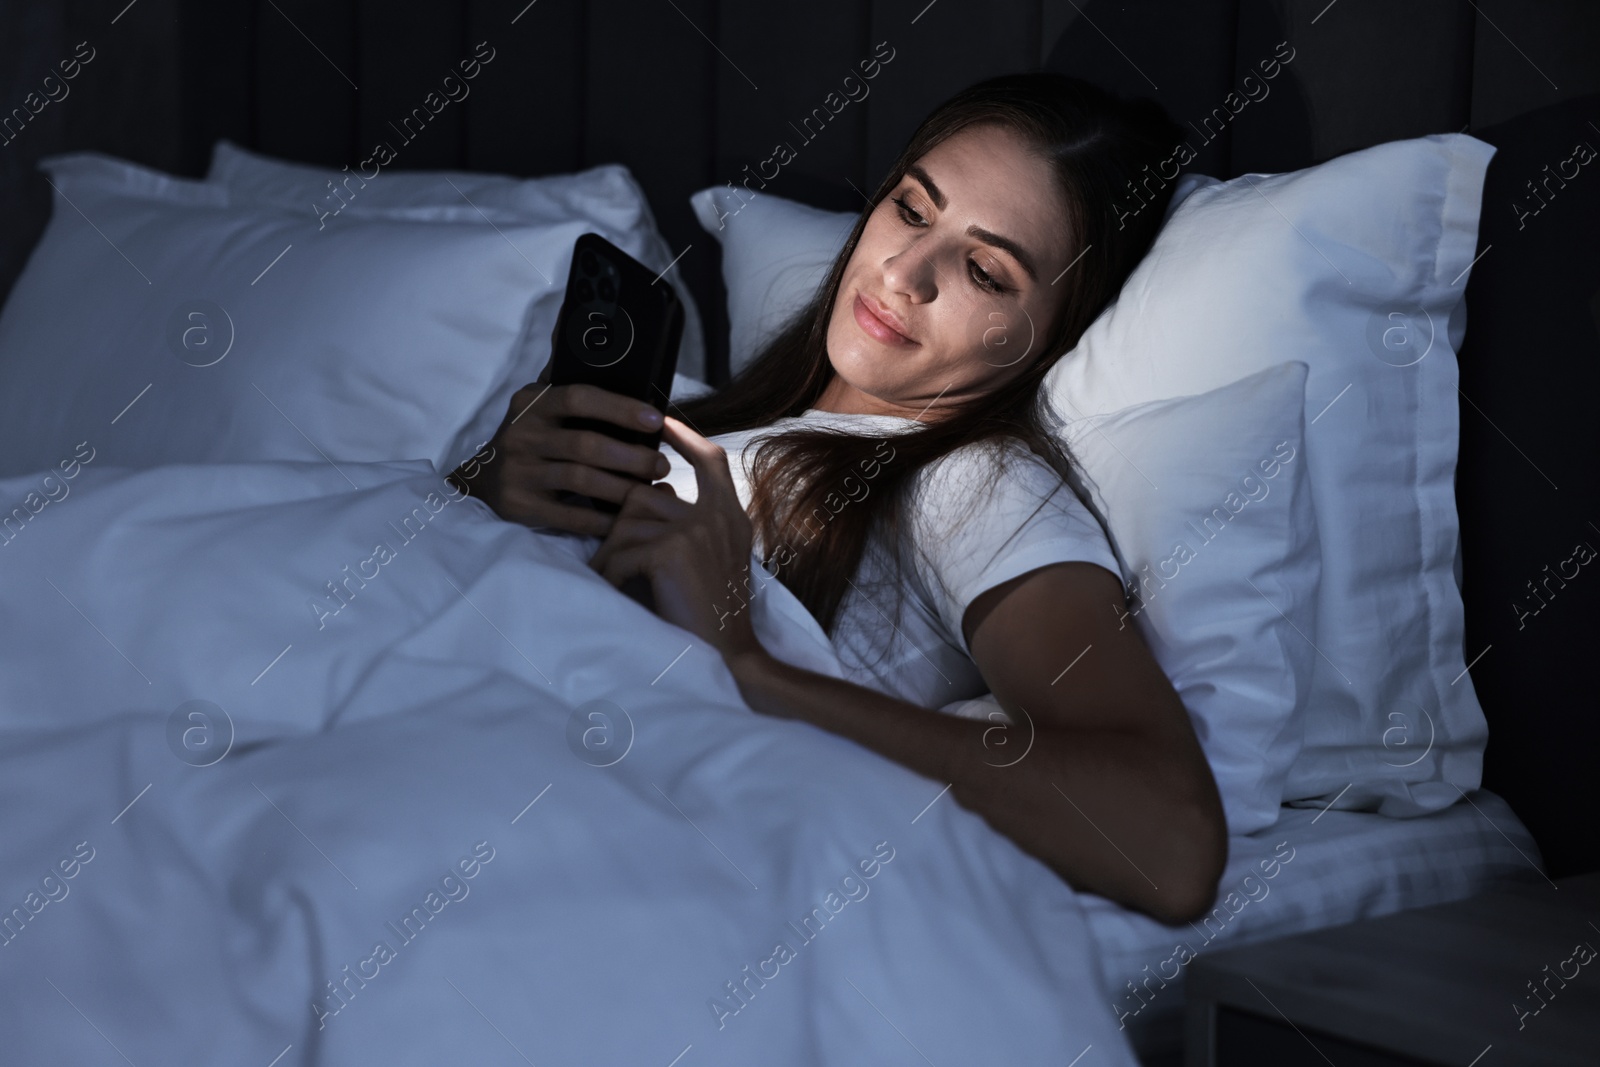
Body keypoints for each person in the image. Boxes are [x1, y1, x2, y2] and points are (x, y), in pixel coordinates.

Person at [450, 72, 1227, 924]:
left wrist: (750, 664)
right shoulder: (704, 415)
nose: (904, 273)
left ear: (1054, 333)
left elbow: (1169, 841)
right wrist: (482, 490)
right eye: (911, 208)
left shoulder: (976, 481)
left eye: (984, 270)